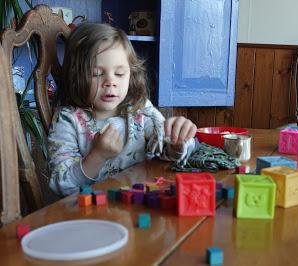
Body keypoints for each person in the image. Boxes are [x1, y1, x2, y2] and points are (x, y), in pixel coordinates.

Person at [48, 23, 197, 196]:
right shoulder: (67, 121)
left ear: (131, 75)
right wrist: (97, 156)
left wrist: (177, 140)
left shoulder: (139, 110)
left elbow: (165, 148)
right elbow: (61, 184)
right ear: (76, 77)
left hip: (137, 205)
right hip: (89, 214)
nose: (110, 82)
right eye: (97, 73)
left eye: (119, 74)